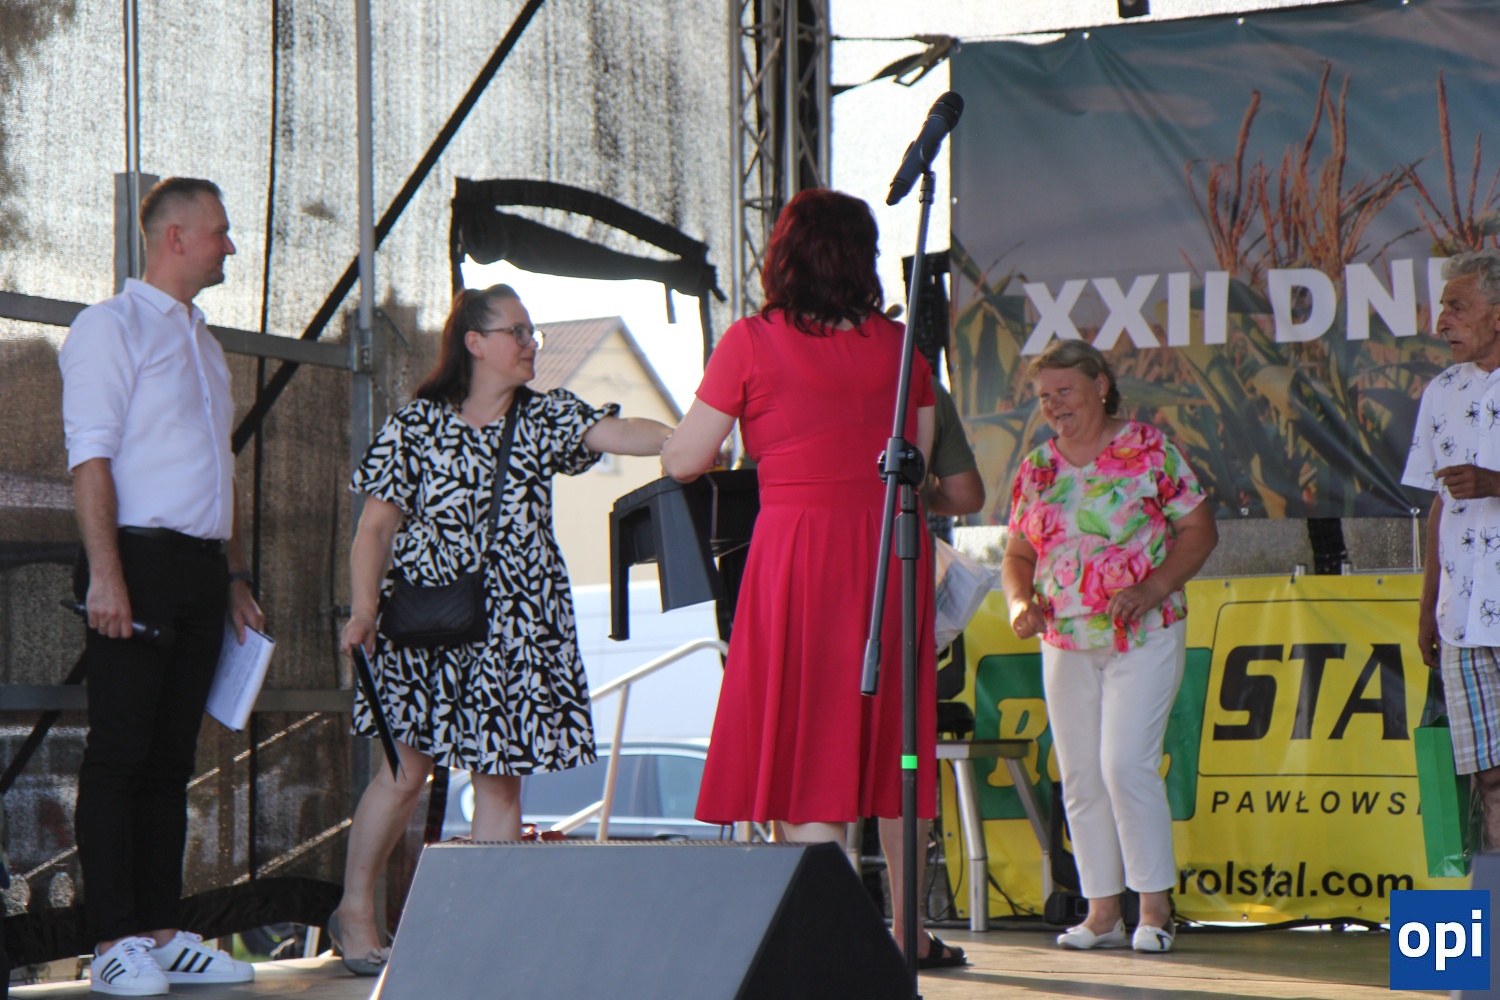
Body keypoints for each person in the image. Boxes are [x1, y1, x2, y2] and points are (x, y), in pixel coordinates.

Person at [331, 283, 673, 974]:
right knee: (404, 773)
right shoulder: (416, 425)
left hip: (516, 630)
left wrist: (689, 437)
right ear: (475, 343)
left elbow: (620, 433)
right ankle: (355, 911)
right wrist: (363, 609)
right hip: (425, 625)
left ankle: (487, 935)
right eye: (516, 331)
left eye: (531, 331)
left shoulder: (545, 415)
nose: (529, 343)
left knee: (499, 783)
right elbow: (374, 529)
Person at [662, 188, 964, 969]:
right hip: (888, 554)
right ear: (861, 257)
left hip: (799, 554)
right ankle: (906, 929)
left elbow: (686, 459)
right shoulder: (902, 349)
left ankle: (834, 945)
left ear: (785, 255)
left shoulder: (751, 342)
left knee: (808, 750)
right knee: (894, 743)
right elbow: (918, 468)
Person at [60, 177, 262, 995]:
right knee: (121, 753)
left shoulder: (205, 342)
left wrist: (234, 576)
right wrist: (107, 574)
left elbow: (218, 468)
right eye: (219, 230)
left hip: (199, 569)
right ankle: (112, 940)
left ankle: (160, 930)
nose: (229, 245)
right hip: (134, 561)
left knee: (172, 758)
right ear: (174, 237)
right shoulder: (110, 326)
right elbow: (90, 457)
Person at [1000, 339, 1216, 954]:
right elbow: (1017, 554)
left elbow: (1199, 530)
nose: (1053, 405)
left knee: (1125, 764)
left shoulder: (1149, 448)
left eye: (1064, 391)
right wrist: (1019, 603)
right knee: (1080, 773)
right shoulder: (1037, 466)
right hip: (1064, 639)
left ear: (1100, 385)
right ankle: (1101, 914)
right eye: (1044, 396)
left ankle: (1154, 910)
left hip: (1143, 631)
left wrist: (1153, 587)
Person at [1403, 249, 1500, 846]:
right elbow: (1441, 504)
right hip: (1463, 620)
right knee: (1489, 778)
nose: (1441, 322)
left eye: (1457, 307)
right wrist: (1427, 608)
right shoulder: (1441, 392)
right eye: (1443, 308)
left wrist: (1495, 484)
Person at [923, 378, 985, 519]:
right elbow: (964, 495)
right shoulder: (923, 385)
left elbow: (965, 495)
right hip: (902, 529)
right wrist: (917, 489)